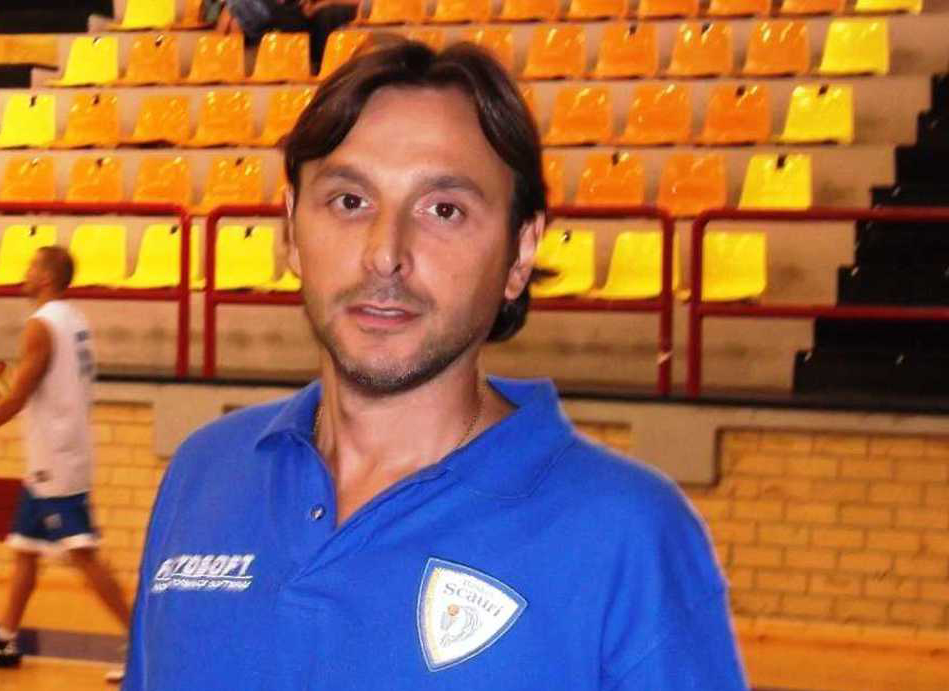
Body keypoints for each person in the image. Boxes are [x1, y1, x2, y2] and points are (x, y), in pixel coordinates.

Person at [124, 42, 748, 690]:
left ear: (520, 252)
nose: (384, 253)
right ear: (291, 229)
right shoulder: (204, 475)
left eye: (444, 210)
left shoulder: (627, 535)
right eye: (349, 201)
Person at [0, 247, 131, 678]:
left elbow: (17, 396)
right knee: (26, 550)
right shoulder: (75, 318)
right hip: (57, 453)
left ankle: (141, 641)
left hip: (56, 459)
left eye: (33, 266)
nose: (25, 272)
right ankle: (5, 638)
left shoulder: (41, 325)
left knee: (83, 554)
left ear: (48, 277)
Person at [216, 0, 359, 70]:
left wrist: (323, 4)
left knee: (235, 9)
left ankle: (223, 60)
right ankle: (227, 65)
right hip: (287, 11)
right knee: (235, 16)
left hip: (297, 17)